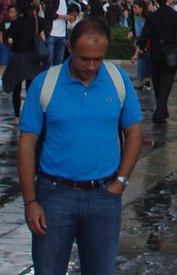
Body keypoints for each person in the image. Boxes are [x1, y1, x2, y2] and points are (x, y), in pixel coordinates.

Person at [18, 16, 143, 275]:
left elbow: (134, 134)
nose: (90, 66)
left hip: (103, 196)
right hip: (54, 196)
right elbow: (27, 145)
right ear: (69, 48)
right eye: (84, 58)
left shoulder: (118, 81)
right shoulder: (45, 84)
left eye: (98, 59)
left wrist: (121, 181)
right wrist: (30, 201)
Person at [3, 0, 45, 125]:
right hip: (32, 58)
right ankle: (31, 115)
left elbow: (9, 40)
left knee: (17, 88)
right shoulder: (37, 21)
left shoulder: (16, 23)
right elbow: (43, 38)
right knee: (31, 89)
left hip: (18, 57)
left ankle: (17, 117)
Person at [45, 0, 72, 67]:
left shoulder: (65, 1)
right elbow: (49, 14)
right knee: (49, 58)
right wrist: (63, 17)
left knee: (59, 60)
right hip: (52, 32)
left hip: (61, 34)